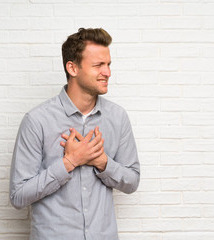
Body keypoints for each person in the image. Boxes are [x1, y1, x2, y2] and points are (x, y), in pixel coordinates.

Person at [9, 28, 140, 240]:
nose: (107, 72)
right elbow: (18, 196)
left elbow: (132, 181)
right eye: (98, 65)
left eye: (108, 65)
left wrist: (103, 162)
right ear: (72, 68)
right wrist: (70, 162)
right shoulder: (36, 120)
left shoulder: (118, 117)